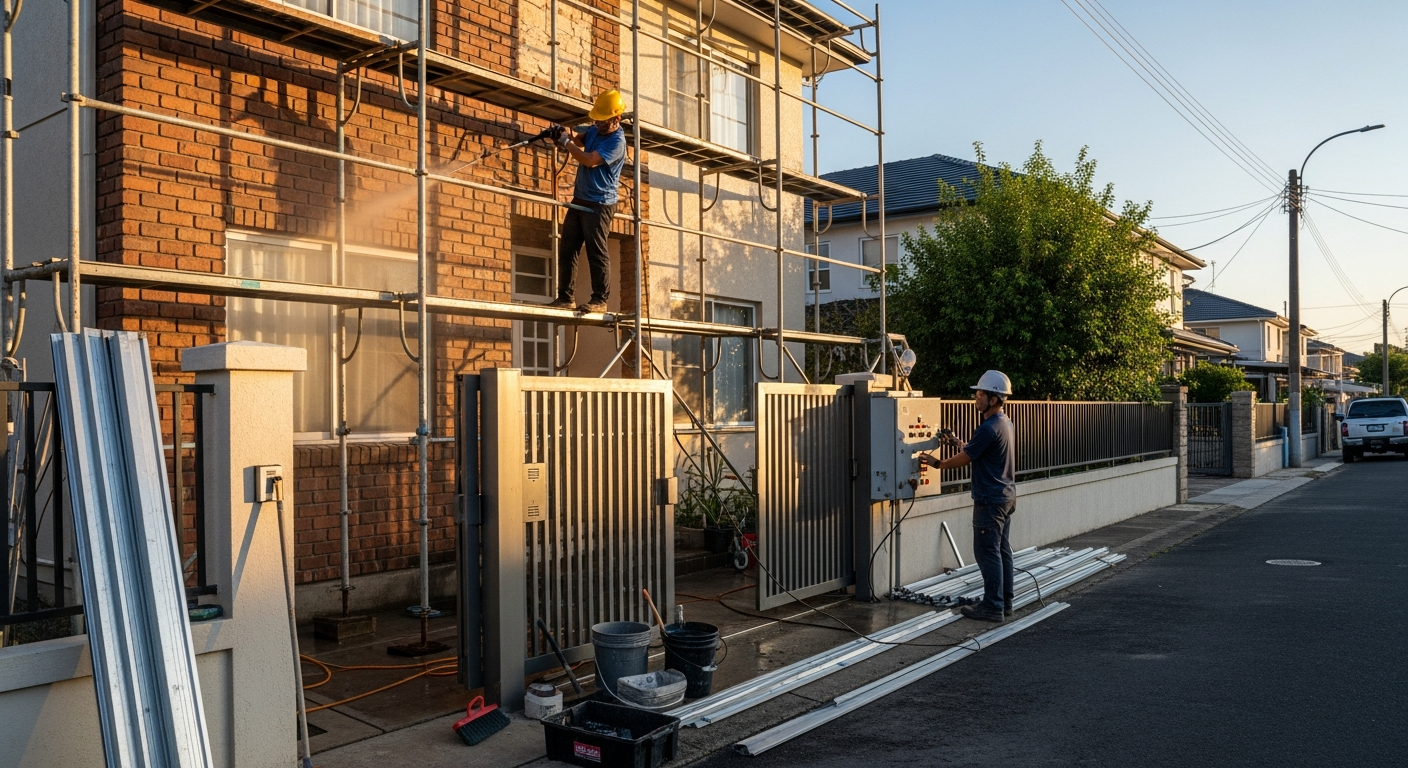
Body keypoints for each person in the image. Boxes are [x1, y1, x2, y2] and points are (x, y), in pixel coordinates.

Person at [920, 370, 1016, 623]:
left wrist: (937, 464)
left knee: (987, 552)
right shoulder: (1004, 423)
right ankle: (1005, 601)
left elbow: (968, 457)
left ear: (994, 399)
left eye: (981, 393)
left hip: (989, 499)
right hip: (1006, 496)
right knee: (1002, 550)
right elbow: (975, 449)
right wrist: (955, 441)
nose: (976, 397)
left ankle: (993, 607)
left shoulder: (988, 428)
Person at [546, 89, 628, 315]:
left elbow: (589, 160)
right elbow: (577, 141)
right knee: (568, 247)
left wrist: (566, 144)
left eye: (603, 121)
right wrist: (561, 136)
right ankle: (565, 297)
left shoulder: (617, 142)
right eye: (597, 120)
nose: (598, 125)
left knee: (596, 250)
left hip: (599, 203)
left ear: (616, 118)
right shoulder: (595, 130)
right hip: (580, 198)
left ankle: (600, 299)